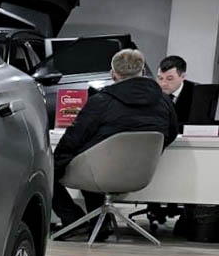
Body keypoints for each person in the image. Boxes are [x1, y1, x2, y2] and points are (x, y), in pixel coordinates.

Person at [52, 48, 179, 235]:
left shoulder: (102, 101)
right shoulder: (164, 101)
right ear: (143, 72)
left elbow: (74, 138)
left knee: (46, 171)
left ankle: (74, 220)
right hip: (140, 173)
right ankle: (100, 224)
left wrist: (54, 165)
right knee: (92, 159)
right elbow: (172, 132)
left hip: (100, 171)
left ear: (113, 74)